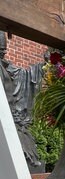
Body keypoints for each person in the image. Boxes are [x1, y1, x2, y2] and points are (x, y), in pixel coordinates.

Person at [0, 31, 43, 171]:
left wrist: (43, 67)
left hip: (12, 123)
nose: (4, 53)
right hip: (5, 123)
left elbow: (24, 75)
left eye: (4, 50)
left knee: (26, 144)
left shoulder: (6, 68)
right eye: (1, 50)